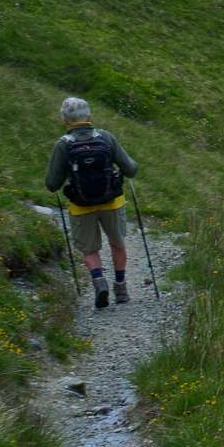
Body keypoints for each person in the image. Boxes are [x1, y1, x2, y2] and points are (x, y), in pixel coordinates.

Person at [45, 96, 139, 309]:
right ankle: (121, 288)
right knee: (117, 243)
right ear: (89, 116)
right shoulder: (106, 137)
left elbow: (51, 184)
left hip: (81, 206)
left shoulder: (63, 145)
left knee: (89, 249)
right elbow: (131, 169)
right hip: (112, 202)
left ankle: (99, 282)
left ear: (64, 120)